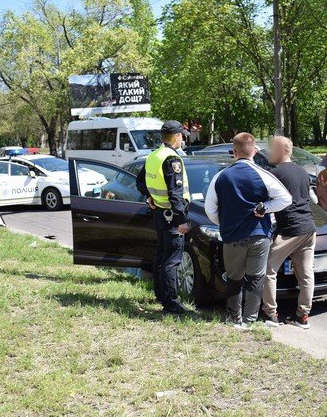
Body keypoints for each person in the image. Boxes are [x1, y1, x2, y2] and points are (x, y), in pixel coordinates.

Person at [204, 132, 292, 329]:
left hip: (232, 236)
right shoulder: (263, 174)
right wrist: (264, 208)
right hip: (259, 234)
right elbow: (285, 199)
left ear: (234, 152)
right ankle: (250, 320)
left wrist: (224, 222)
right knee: (256, 278)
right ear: (254, 150)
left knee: (234, 278)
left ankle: (234, 318)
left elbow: (210, 209)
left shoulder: (220, 176)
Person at [136, 120, 191, 315]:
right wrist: (181, 221)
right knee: (172, 259)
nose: (183, 138)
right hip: (170, 215)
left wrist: (149, 196)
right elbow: (175, 194)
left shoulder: (153, 156)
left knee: (161, 255)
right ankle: (170, 303)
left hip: (160, 212)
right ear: (176, 136)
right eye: (182, 135)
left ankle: (160, 294)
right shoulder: (171, 159)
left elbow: (140, 181)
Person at [261, 136, 317, 329]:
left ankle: (271, 315)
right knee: (306, 274)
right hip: (309, 228)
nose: (269, 152)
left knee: (268, 269)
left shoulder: (275, 174)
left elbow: (267, 202)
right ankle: (303, 317)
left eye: (271, 148)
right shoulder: (302, 172)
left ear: (280, 150)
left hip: (291, 230)